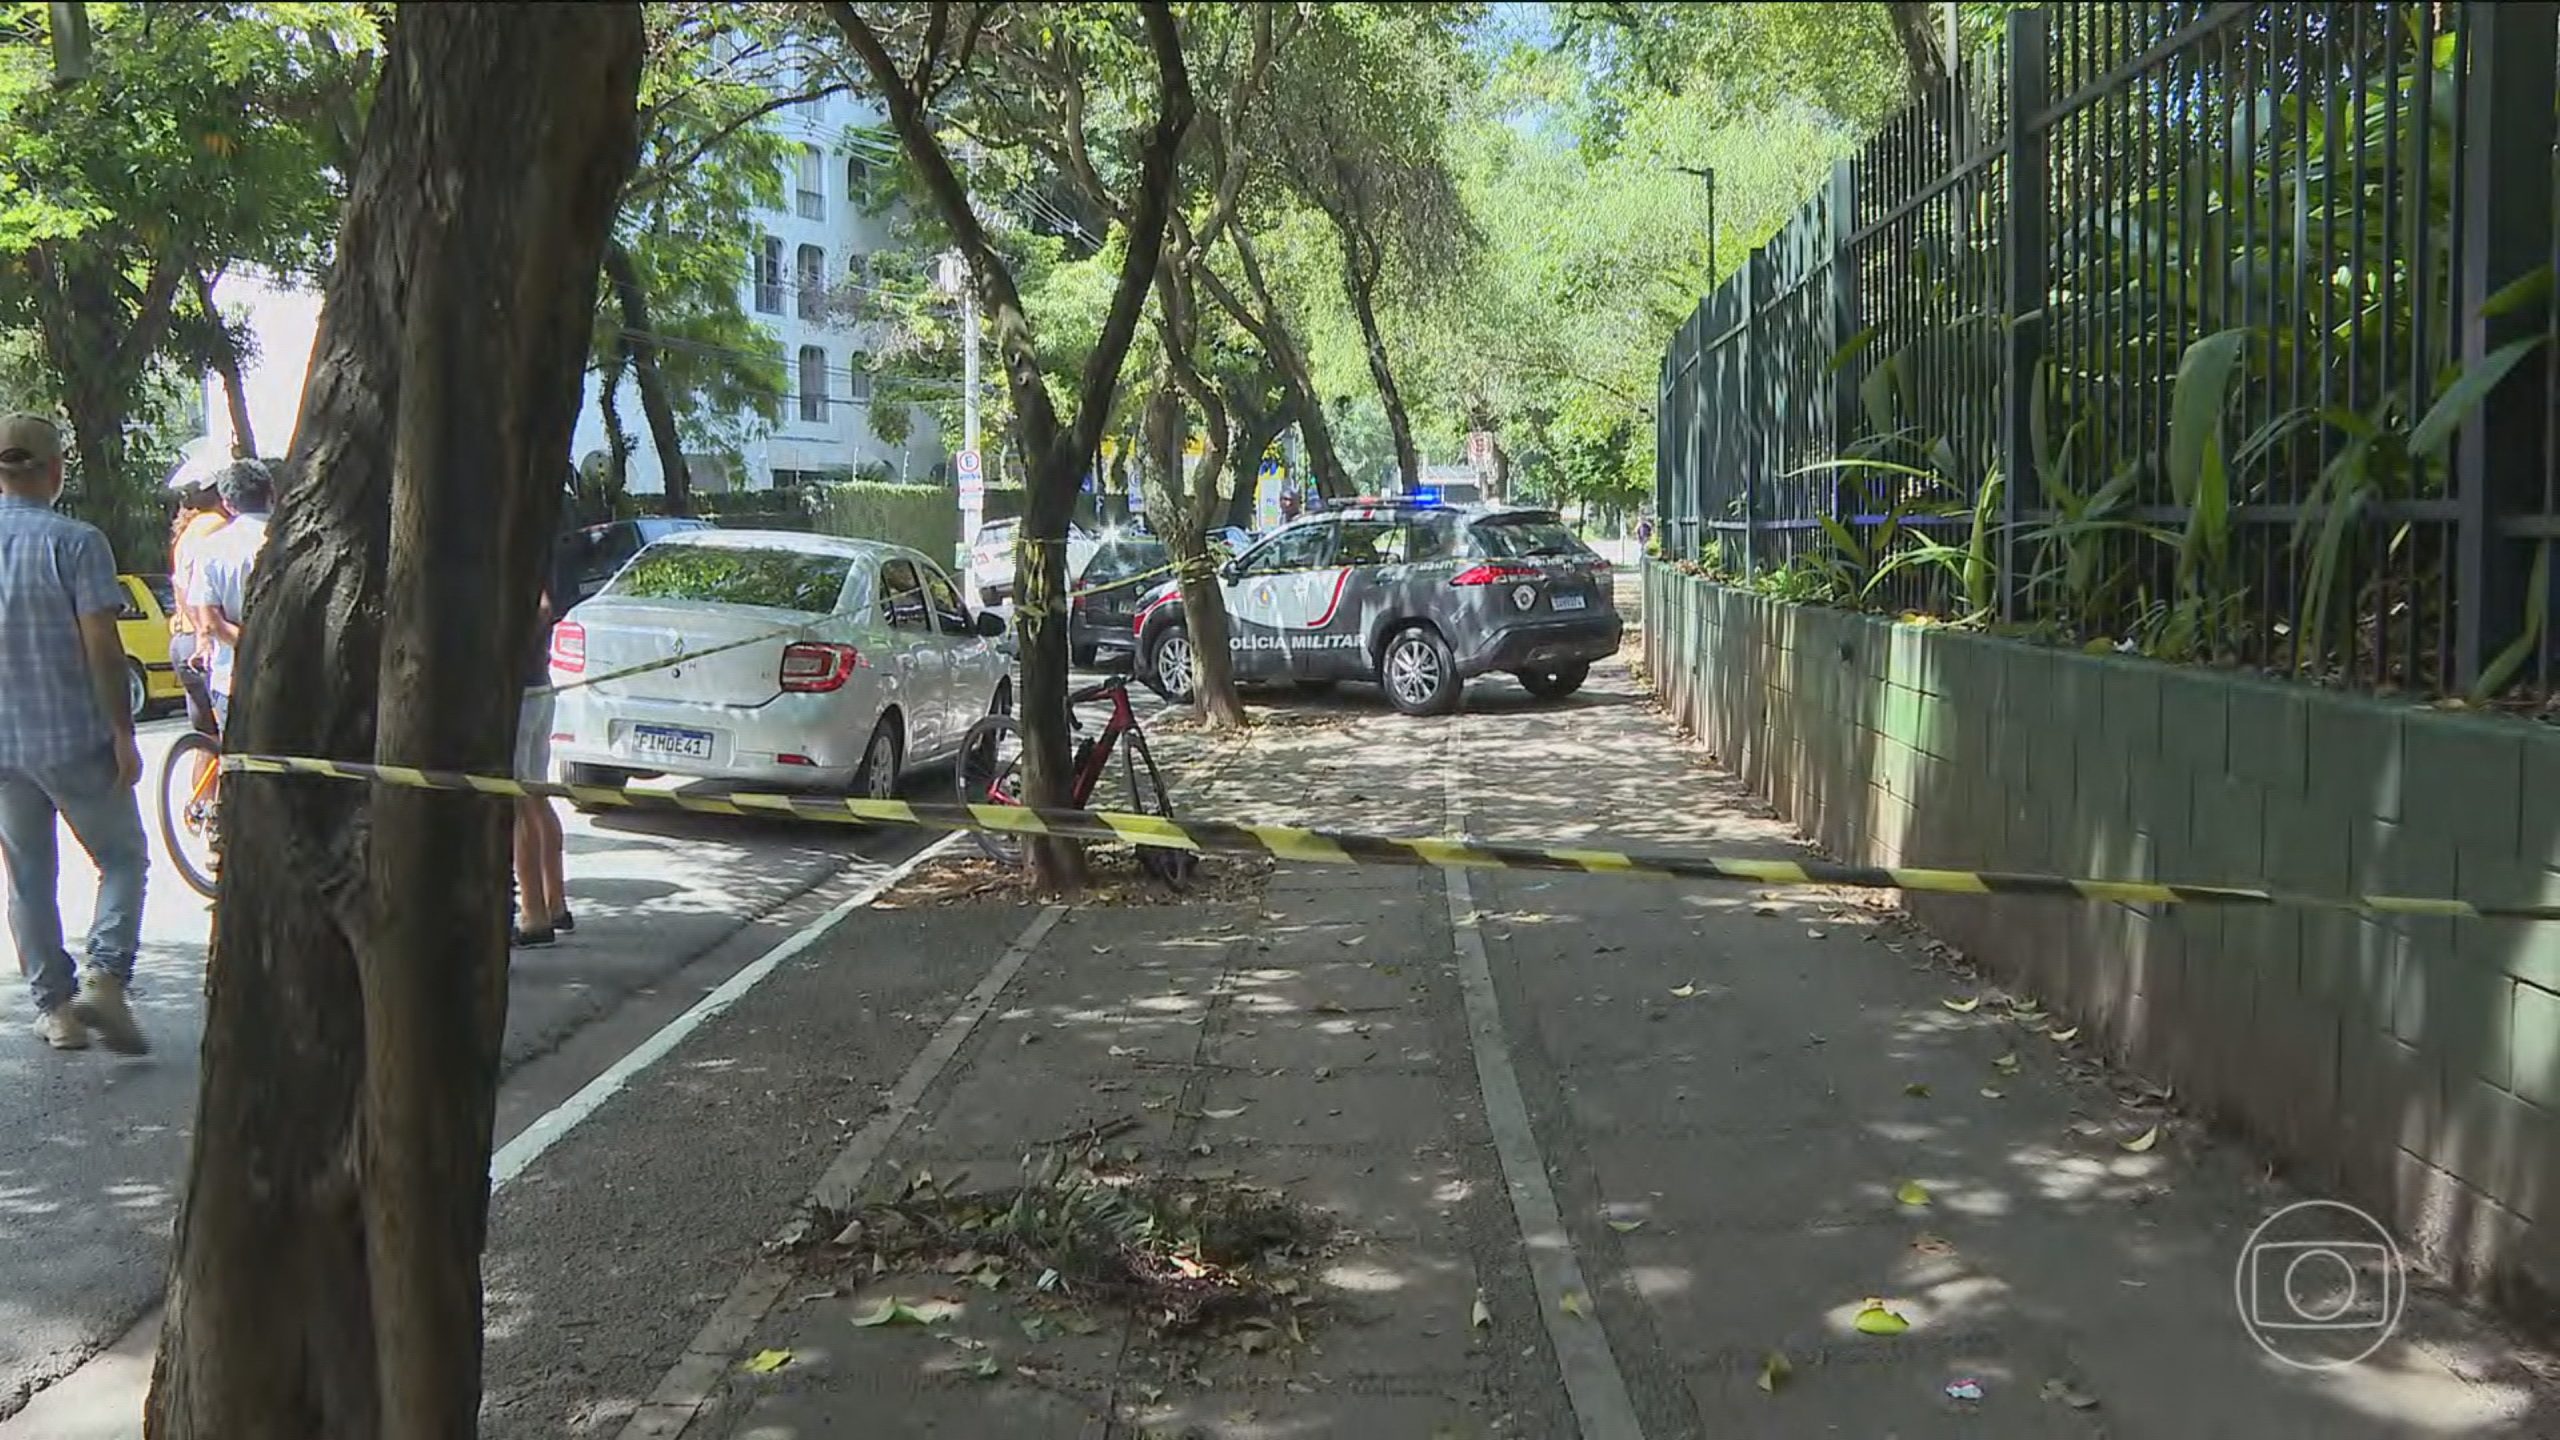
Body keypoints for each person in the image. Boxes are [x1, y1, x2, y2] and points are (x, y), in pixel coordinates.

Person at [0, 413, 151, 1053]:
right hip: (74, 739)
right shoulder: (77, 541)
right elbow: (101, 642)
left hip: (4, 749)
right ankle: (106, 978)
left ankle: (56, 1012)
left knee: (29, 877)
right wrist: (123, 730)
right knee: (122, 857)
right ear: (55, 470)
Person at [188, 459, 276, 733]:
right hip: (289, 674)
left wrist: (249, 643)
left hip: (231, 678)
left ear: (227, 503)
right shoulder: (290, 541)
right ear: (271, 494)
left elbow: (210, 622)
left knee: (240, 765)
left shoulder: (212, 549)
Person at [512, 582, 572, 948]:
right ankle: (555, 903)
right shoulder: (531, 559)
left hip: (521, 695)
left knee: (519, 800)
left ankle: (534, 914)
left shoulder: (511, 569)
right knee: (535, 796)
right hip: (538, 687)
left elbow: (543, 607)